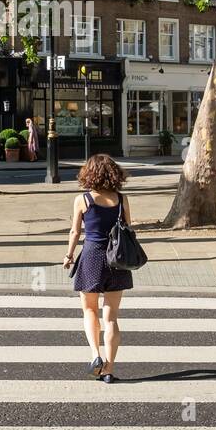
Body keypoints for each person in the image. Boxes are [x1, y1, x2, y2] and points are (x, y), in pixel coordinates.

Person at [62, 154, 133, 384]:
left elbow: (75, 232)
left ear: (88, 173)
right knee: (111, 317)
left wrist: (69, 255)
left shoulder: (82, 200)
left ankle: (95, 355)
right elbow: (129, 230)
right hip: (117, 260)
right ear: (114, 174)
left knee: (89, 310)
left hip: (92, 256)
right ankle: (109, 369)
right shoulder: (122, 200)